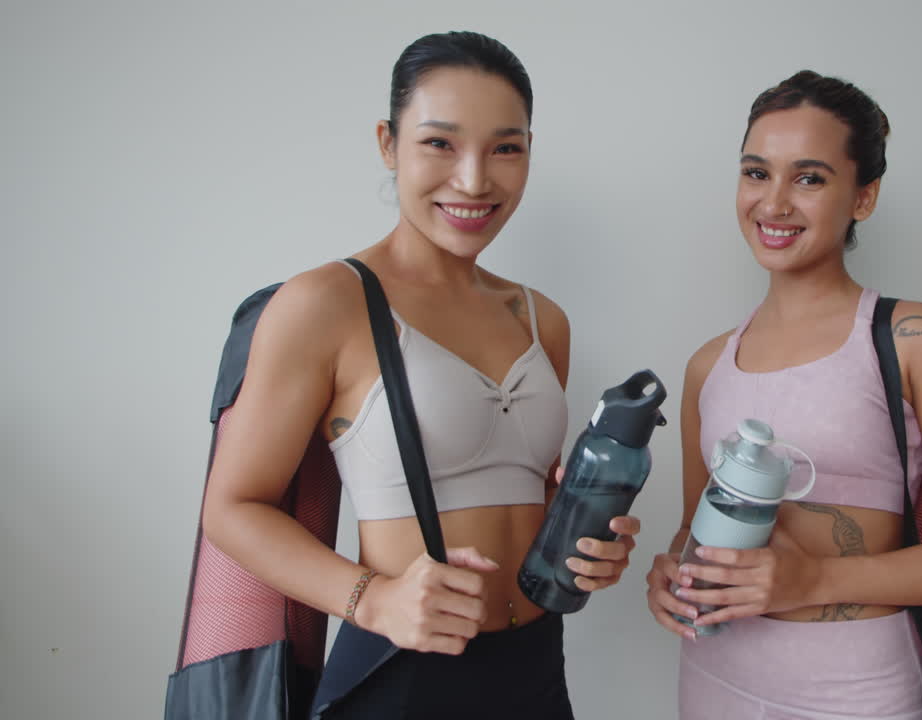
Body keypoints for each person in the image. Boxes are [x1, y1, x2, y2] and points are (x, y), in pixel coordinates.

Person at [200, 31, 639, 719]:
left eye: (505, 147)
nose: (473, 179)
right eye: (440, 143)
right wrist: (372, 598)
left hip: (536, 672)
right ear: (387, 143)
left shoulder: (541, 319)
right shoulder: (327, 304)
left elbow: (526, 492)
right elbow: (232, 509)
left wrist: (584, 544)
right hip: (398, 677)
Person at [645, 70, 922, 719]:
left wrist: (814, 580)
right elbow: (698, 528)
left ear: (864, 196)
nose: (773, 203)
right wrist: (669, 578)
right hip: (714, 683)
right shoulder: (707, 365)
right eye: (756, 172)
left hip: (855, 692)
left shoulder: (912, 337)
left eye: (810, 177)